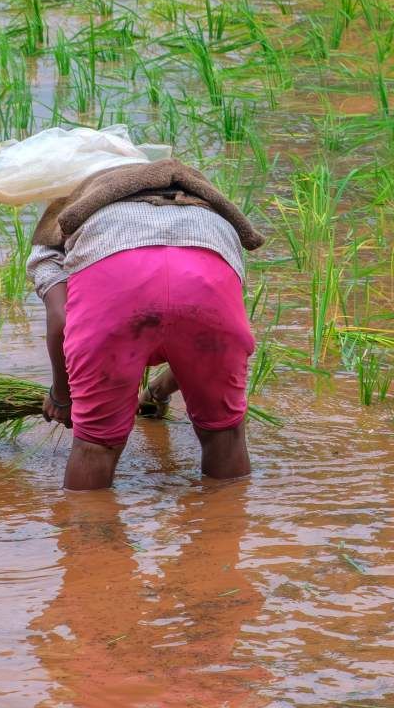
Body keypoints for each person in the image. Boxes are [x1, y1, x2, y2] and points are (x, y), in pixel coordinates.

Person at [27, 157, 264, 489]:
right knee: (224, 433)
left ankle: (90, 534)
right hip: (208, 268)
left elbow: (62, 321)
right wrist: (157, 392)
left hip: (120, 279)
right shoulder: (206, 214)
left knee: (96, 442)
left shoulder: (54, 234)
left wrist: (62, 397)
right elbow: (188, 335)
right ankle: (223, 531)